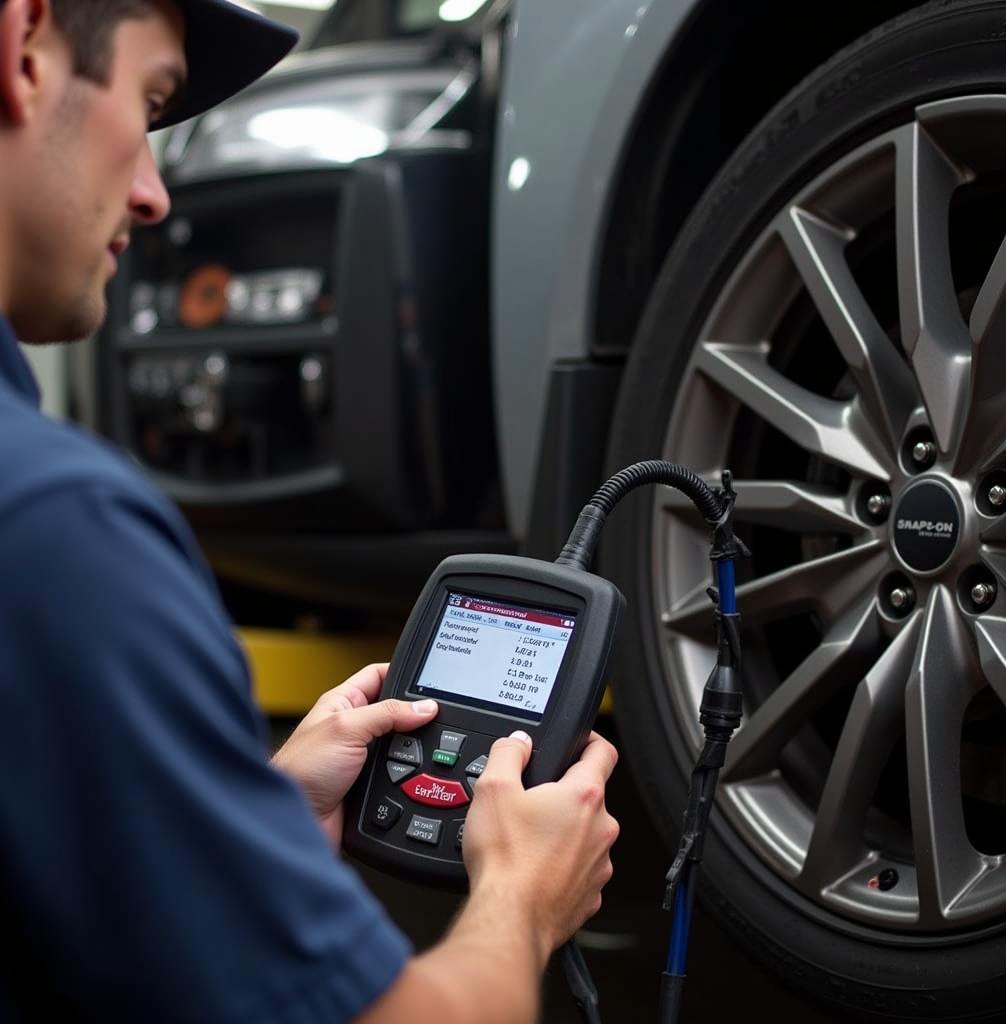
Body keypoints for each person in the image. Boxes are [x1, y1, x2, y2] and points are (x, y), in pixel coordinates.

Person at [0, 1, 620, 1021]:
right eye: (150, 101)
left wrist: (246, 814)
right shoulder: (61, 536)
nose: (156, 196)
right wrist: (522, 897)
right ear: (24, 46)